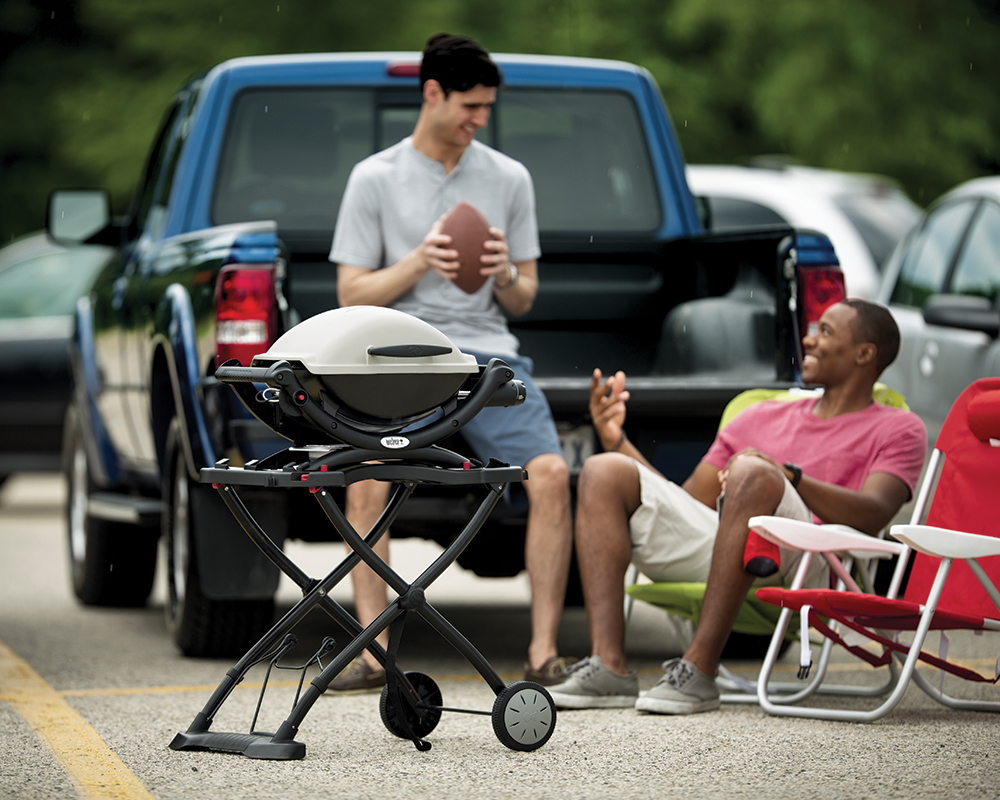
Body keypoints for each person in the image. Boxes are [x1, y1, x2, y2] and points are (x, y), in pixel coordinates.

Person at [326, 33, 574, 692]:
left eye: (487, 107)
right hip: (399, 353)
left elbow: (524, 296)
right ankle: (374, 654)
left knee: (550, 474)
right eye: (469, 105)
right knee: (367, 478)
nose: (479, 119)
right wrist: (418, 261)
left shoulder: (508, 177)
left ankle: (544, 652)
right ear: (431, 93)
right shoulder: (374, 178)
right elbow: (351, 293)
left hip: (487, 355)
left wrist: (500, 275)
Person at [547, 299, 927, 714]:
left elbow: (875, 512)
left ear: (864, 353)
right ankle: (609, 668)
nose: (808, 338)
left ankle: (698, 670)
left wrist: (786, 476)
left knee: (754, 471)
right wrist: (616, 440)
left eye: (826, 332)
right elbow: (688, 502)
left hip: (813, 559)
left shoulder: (899, 427)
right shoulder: (759, 415)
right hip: (728, 542)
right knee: (603, 471)